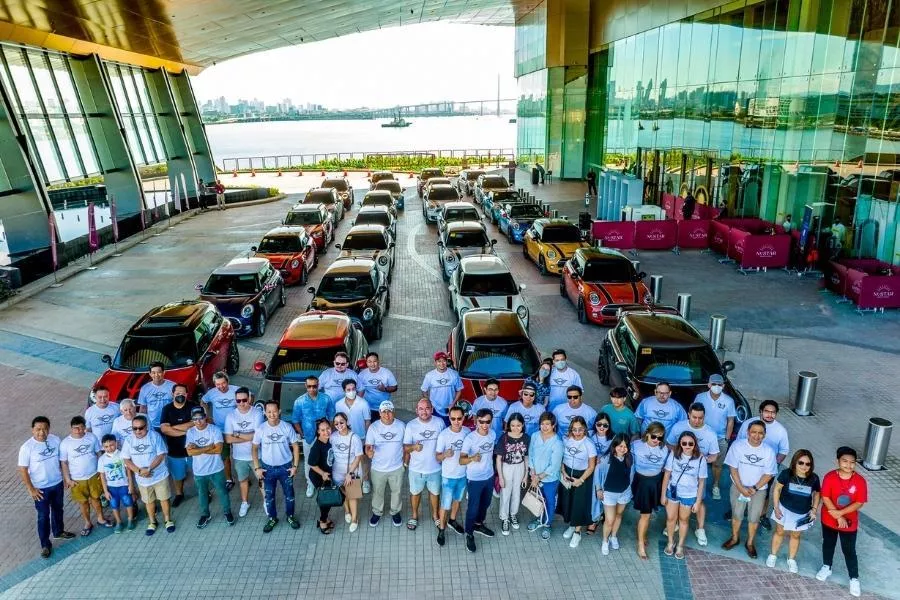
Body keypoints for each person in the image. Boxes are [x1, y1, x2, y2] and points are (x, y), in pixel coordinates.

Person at [18, 416, 75, 558]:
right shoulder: (27, 448)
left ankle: (59, 532)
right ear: (32, 430)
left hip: (57, 484)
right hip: (40, 489)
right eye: (38, 429)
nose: (41, 432)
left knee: (58, 509)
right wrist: (31, 489)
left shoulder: (55, 440)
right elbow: (23, 470)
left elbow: (63, 461)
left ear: (49, 429)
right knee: (43, 516)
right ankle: (45, 544)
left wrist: (66, 478)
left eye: (44, 429)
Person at [816, 446, 867, 598]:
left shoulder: (859, 481)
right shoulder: (830, 477)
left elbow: (859, 502)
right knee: (828, 543)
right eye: (845, 461)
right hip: (829, 519)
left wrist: (842, 513)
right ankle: (827, 567)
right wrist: (838, 516)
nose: (848, 465)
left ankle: (854, 578)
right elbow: (825, 497)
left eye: (852, 462)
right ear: (838, 461)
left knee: (849, 550)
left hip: (849, 523)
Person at [665, 402, 719, 546]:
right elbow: (669, 444)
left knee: (699, 500)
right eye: (694, 417)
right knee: (675, 498)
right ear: (688, 414)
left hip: (698, 471)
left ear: (704, 417)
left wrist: (700, 460)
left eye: (700, 418)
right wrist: (679, 455)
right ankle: (673, 523)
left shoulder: (710, 433)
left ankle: (700, 528)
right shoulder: (679, 427)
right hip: (678, 469)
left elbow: (714, 456)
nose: (697, 420)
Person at [722, 420, 776, 559]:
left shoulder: (768, 451)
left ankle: (750, 543)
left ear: (764, 435)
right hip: (738, 486)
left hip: (758, 490)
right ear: (748, 433)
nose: (756, 436)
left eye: (760, 433)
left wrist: (754, 488)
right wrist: (741, 487)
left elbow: (769, 474)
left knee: (754, 517)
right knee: (737, 514)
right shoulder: (738, 446)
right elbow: (732, 468)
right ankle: (735, 538)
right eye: (753, 432)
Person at [737, 399, 790, 529]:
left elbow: (783, 451)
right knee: (741, 487)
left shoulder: (780, 430)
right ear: (761, 411)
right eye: (766, 411)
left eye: (773, 412)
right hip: (746, 464)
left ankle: (762, 515)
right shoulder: (748, 424)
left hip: (766, 470)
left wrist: (773, 465)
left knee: (764, 492)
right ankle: (739, 510)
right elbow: (739, 442)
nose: (769, 415)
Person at [767, 449, 820, 573]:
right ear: (795, 462)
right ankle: (773, 555)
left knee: (796, 535)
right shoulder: (786, 474)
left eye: (808, 464)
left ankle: (791, 559)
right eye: (801, 463)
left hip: (802, 513)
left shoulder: (814, 478)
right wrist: (776, 507)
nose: (804, 466)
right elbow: (777, 489)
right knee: (779, 532)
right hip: (784, 509)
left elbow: (817, 494)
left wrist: (814, 509)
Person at [252, 400, 301, 533]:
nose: (272, 414)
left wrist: (295, 466)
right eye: (269, 412)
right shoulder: (261, 429)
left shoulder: (286, 427)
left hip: (286, 468)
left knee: (289, 495)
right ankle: (272, 518)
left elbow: (295, 446)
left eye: (274, 411)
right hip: (267, 469)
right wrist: (257, 468)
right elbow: (254, 448)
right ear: (265, 413)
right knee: (269, 496)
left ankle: (290, 516)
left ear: (279, 411)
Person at [121, 414, 175, 535]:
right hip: (142, 479)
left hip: (159, 475)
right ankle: (152, 522)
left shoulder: (155, 436)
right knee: (148, 501)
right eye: (134, 428)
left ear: (146, 427)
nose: (138, 431)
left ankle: (167, 520)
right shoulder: (129, 440)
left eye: (141, 428)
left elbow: (161, 455)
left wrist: (149, 469)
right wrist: (139, 471)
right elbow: (126, 459)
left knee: (164, 499)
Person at [60, 416, 110, 535]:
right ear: (71, 429)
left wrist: (101, 471)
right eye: (76, 428)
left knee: (96, 499)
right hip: (77, 479)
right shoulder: (65, 443)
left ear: (85, 427)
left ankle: (100, 518)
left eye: (82, 427)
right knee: (83, 502)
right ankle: (87, 523)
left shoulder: (91, 437)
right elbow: (64, 462)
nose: (79, 431)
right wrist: (67, 479)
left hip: (93, 475)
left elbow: (99, 453)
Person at [661, 431, 708, 559]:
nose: (687, 446)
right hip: (673, 491)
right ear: (680, 444)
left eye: (690, 443)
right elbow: (667, 475)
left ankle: (680, 545)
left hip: (689, 495)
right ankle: (670, 542)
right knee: (671, 518)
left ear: (695, 444)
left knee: (683, 520)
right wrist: (663, 494)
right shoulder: (673, 455)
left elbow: (701, 481)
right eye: (684, 443)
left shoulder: (701, 459)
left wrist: (698, 501)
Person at [185, 406, 233, 528]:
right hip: (199, 471)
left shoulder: (215, 430)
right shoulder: (190, 432)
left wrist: (197, 448)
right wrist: (208, 447)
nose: (198, 421)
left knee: (223, 492)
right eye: (195, 419)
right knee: (202, 494)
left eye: (200, 418)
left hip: (216, 469)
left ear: (205, 417)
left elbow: (218, 450)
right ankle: (205, 515)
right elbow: (190, 453)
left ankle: (227, 512)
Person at [403, 398, 445, 530]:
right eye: (421, 409)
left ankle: (435, 516)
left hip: (435, 468)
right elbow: (405, 448)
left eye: (427, 408)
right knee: (415, 493)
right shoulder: (411, 425)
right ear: (416, 410)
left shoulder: (439, 422)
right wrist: (414, 447)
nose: (424, 411)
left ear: (432, 409)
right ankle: (415, 516)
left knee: (435, 493)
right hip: (416, 469)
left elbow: (445, 442)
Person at [460, 408, 498, 553]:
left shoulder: (493, 434)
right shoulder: (470, 439)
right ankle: (469, 533)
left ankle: (478, 524)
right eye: (481, 421)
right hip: (474, 479)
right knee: (472, 508)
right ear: (476, 421)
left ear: (491, 421)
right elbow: (461, 460)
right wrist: (472, 458)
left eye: (487, 421)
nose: (484, 425)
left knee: (486, 503)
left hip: (489, 476)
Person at [224, 386, 265, 517]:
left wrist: (238, 434)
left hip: (257, 456)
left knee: (262, 480)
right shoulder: (230, 416)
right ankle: (244, 502)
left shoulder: (257, 413)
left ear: (250, 399)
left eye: (244, 400)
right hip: (239, 456)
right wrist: (247, 436)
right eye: (238, 401)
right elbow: (228, 439)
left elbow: (257, 436)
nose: (241, 403)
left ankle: (266, 502)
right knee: (243, 480)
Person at [292, 374, 336, 498]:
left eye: (315, 386)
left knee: (327, 459)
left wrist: (329, 432)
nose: (312, 389)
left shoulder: (326, 398)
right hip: (309, 437)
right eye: (309, 386)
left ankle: (327, 480)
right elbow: (295, 420)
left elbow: (332, 416)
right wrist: (302, 434)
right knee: (309, 461)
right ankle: (310, 483)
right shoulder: (299, 401)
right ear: (305, 386)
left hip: (324, 437)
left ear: (318, 386)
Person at [558, 416, 597, 549]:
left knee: (579, 505)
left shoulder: (589, 444)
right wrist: (563, 471)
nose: (577, 432)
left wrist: (580, 480)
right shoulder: (567, 440)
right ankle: (571, 525)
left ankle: (577, 532)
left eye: (580, 429)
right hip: (568, 474)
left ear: (585, 429)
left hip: (582, 477)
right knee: (569, 502)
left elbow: (591, 466)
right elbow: (562, 457)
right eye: (574, 429)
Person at [365, 401, 406, 527]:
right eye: (384, 411)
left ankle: (395, 512)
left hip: (397, 467)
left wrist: (406, 463)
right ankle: (377, 512)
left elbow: (406, 445)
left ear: (393, 412)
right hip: (378, 468)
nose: (387, 414)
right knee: (377, 492)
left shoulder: (401, 425)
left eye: (389, 411)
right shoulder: (373, 427)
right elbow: (368, 447)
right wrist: (369, 453)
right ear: (379, 413)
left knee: (397, 492)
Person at [695, 374, 736, 500]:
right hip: (701, 437)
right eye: (714, 384)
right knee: (697, 462)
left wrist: (726, 438)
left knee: (717, 464)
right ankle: (695, 485)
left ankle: (715, 486)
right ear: (708, 385)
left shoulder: (728, 401)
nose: (716, 387)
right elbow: (694, 415)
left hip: (719, 438)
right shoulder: (700, 397)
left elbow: (730, 421)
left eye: (719, 384)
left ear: (723, 386)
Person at [631, 421, 669, 559]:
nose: (656, 440)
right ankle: (641, 544)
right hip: (641, 481)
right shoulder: (636, 446)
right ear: (647, 433)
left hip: (656, 482)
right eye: (654, 436)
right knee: (645, 514)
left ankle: (643, 534)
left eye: (660, 438)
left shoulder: (664, 449)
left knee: (646, 514)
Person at [435, 405, 470, 546]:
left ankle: (452, 520)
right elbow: (437, 457)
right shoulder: (443, 435)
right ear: (449, 418)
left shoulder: (467, 432)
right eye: (453, 418)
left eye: (459, 418)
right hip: (448, 476)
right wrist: (444, 455)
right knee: (445, 504)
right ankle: (442, 529)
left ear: (464, 418)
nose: (456, 421)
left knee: (457, 500)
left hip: (463, 474)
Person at [159, 383, 199, 507]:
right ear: (172, 394)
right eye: (177, 394)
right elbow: (164, 429)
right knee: (178, 476)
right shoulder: (167, 409)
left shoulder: (193, 406)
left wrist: (174, 428)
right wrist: (187, 430)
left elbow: (197, 422)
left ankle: (204, 492)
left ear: (187, 394)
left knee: (198, 473)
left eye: (182, 393)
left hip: (194, 448)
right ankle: (179, 494)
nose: (180, 395)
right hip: (174, 450)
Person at [526, 412, 564, 540]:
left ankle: (547, 524)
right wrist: (532, 471)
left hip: (549, 479)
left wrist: (538, 477)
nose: (545, 427)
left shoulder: (557, 442)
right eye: (542, 424)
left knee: (549, 502)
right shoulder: (535, 435)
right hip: (534, 475)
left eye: (548, 424)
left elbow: (554, 465)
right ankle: (539, 519)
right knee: (538, 499)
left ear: (553, 425)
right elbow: (530, 453)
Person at [597, 433, 633, 555]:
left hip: (624, 492)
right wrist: (598, 489)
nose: (622, 449)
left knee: (618, 515)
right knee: (609, 520)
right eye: (620, 446)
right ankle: (605, 541)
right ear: (614, 445)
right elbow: (597, 473)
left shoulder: (630, 458)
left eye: (625, 446)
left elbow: (631, 474)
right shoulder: (606, 458)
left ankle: (613, 536)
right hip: (609, 493)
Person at [202, 371, 238, 491]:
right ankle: (229, 479)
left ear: (227, 381)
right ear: (214, 384)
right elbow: (203, 401)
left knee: (240, 456)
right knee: (225, 456)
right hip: (220, 430)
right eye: (218, 384)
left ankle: (244, 478)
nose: (221, 386)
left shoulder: (236, 390)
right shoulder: (211, 393)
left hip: (236, 429)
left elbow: (250, 395)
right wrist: (207, 415)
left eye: (223, 383)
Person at [495, 412, 530, 535]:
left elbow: (526, 457)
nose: (516, 428)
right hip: (507, 467)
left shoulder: (526, 437)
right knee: (506, 493)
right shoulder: (504, 437)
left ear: (523, 425)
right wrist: (501, 477)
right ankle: (504, 518)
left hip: (519, 467)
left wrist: (526, 475)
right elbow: (498, 459)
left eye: (518, 425)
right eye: (513, 425)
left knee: (516, 493)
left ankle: (513, 514)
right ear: (509, 425)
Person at [334, 379, 371, 493]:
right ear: (344, 390)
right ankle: (350, 479)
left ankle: (365, 481)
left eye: (353, 389)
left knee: (364, 460)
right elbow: (338, 421)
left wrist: (367, 438)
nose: (351, 391)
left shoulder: (363, 403)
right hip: (346, 437)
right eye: (348, 390)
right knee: (351, 459)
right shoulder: (338, 404)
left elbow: (367, 421)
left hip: (360, 437)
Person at [330, 412, 363, 531]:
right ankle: (347, 511)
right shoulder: (333, 437)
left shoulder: (354, 438)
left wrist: (350, 473)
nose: (339, 425)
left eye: (341, 422)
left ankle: (355, 519)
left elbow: (358, 457)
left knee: (352, 496)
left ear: (347, 422)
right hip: (337, 471)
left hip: (352, 471)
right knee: (343, 493)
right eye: (336, 423)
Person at [97, 434, 136, 533]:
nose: (109, 448)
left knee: (128, 502)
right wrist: (105, 491)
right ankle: (119, 522)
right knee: (114, 505)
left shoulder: (122, 455)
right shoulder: (102, 459)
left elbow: (128, 471)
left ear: (116, 443)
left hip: (124, 485)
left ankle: (130, 519)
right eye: (106, 446)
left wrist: (131, 485)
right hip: (111, 487)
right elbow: (102, 476)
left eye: (111, 445)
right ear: (102, 447)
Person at [307, 419, 337, 534]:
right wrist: (323, 474)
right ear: (318, 432)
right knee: (326, 499)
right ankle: (322, 521)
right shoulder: (317, 446)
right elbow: (311, 464)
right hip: (318, 476)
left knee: (327, 499)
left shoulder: (329, 441)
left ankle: (325, 518)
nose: (326, 432)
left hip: (327, 475)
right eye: (323, 430)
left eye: (328, 429)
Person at [588, 413, 614, 534]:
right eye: (599, 424)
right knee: (592, 495)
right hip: (591, 468)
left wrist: (601, 459)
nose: (602, 427)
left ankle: (596, 518)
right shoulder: (590, 434)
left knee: (601, 494)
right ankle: (594, 517)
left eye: (605, 425)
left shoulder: (613, 438)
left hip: (604, 471)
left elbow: (614, 455)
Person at [421, 351, 463, 425]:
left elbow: (459, 390)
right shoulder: (429, 375)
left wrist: (453, 404)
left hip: (450, 409)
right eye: (439, 361)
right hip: (435, 410)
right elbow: (424, 390)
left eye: (444, 361)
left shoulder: (454, 374)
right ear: (435, 362)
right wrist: (430, 404)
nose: (442, 363)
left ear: (447, 361)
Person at [356, 352, 398, 422]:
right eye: (370, 362)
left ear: (378, 361)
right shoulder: (362, 375)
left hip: (384, 408)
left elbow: (395, 387)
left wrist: (384, 389)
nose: (372, 364)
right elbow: (358, 390)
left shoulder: (387, 373)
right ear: (366, 362)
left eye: (374, 361)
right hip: (368, 407)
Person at [137, 361, 175, 430]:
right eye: (153, 373)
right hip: (152, 426)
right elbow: (143, 409)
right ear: (150, 374)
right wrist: (142, 425)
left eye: (159, 372)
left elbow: (178, 405)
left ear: (164, 372)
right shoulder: (145, 389)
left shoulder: (173, 386)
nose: (156, 375)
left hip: (170, 424)